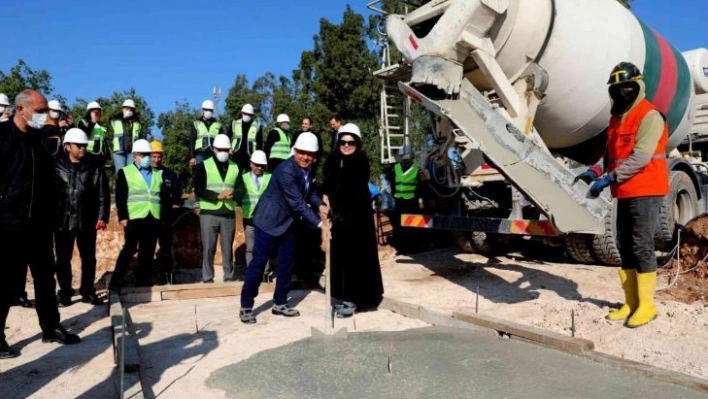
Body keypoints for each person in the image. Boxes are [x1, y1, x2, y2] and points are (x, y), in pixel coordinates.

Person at [576, 62, 669, 328]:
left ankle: (647, 305)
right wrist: (594, 171)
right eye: (617, 88)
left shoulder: (650, 115)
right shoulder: (616, 118)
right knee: (624, 245)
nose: (622, 92)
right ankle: (630, 303)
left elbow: (640, 158)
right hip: (624, 191)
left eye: (628, 86)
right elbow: (610, 154)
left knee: (641, 245)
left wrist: (608, 178)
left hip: (646, 189)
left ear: (638, 86)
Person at [1, 90, 81, 359]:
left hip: (39, 225)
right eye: (40, 110)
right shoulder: (2, 137)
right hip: (9, 225)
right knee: (4, 284)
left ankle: (51, 327)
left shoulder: (40, 141)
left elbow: (49, 181)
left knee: (46, 280)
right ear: (21, 110)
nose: (45, 115)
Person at [239, 132, 328, 324]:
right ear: (294, 151)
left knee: (286, 264)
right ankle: (246, 305)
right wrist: (321, 224)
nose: (305, 157)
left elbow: (309, 192)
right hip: (268, 223)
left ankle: (280, 302)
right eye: (302, 152)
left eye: (310, 154)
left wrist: (320, 204)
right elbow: (297, 202)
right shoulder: (286, 170)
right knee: (258, 264)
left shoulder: (308, 170)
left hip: (288, 225)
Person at [321, 123, 384, 317]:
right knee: (340, 260)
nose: (347, 145)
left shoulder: (360, 162)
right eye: (343, 141)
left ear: (357, 144)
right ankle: (341, 296)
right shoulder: (332, 161)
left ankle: (355, 299)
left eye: (351, 142)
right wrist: (326, 203)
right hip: (338, 219)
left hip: (358, 218)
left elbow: (355, 190)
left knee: (357, 259)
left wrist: (342, 213)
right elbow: (328, 185)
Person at [54, 128, 110, 306]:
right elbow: (49, 194)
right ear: (68, 146)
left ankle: (87, 291)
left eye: (84, 145)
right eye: (79, 145)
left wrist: (102, 216)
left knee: (89, 258)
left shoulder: (94, 168)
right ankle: (64, 293)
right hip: (63, 221)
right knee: (63, 259)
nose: (83, 148)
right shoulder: (56, 166)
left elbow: (103, 194)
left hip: (87, 220)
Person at [110, 139, 164, 290]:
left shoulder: (158, 174)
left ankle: (144, 283)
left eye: (148, 154)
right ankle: (116, 282)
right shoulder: (126, 172)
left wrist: (161, 217)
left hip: (152, 217)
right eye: (143, 155)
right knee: (129, 250)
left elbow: (161, 196)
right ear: (135, 156)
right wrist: (123, 217)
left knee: (147, 253)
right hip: (134, 218)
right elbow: (121, 197)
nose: (146, 157)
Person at [194, 134, 239, 283]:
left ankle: (229, 277)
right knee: (208, 248)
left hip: (228, 213)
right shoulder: (204, 166)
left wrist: (235, 194)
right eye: (220, 149)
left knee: (227, 249)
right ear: (214, 149)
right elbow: (198, 189)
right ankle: (207, 278)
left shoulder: (235, 166)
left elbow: (241, 188)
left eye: (226, 149)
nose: (223, 152)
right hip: (209, 213)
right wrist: (217, 196)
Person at [151, 140, 184, 281]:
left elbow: (177, 194)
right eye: (154, 156)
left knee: (166, 249)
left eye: (159, 156)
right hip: (148, 219)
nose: (156, 159)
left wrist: (175, 202)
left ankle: (166, 277)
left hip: (165, 219)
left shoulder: (169, 174)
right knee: (147, 249)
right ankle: (145, 277)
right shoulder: (143, 174)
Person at [235, 150, 271, 270]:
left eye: (262, 165)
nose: (259, 168)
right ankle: (252, 271)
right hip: (249, 218)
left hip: (265, 219)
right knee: (250, 248)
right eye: (257, 165)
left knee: (264, 246)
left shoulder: (270, 177)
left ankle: (264, 272)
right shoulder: (243, 178)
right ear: (251, 164)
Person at [110, 99, 143, 173]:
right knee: (120, 174)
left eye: (131, 110)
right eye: (126, 109)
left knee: (131, 174)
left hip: (132, 152)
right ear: (122, 109)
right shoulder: (115, 121)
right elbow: (109, 135)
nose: (128, 111)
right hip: (119, 152)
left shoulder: (137, 124)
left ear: (133, 111)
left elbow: (140, 138)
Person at [230, 103, 263, 172]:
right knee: (235, 175)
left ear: (252, 115)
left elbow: (259, 143)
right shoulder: (235, 123)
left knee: (249, 177)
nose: (247, 115)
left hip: (250, 156)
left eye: (249, 114)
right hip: (236, 155)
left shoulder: (257, 126)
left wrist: (257, 156)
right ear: (242, 113)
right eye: (245, 113)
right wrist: (229, 149)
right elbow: (227, 136)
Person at [189, 100, 223, 167]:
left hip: (214, 154)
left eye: (210, 110)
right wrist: (192, 157)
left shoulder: (218, 125)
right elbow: (191, 142)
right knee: (200, 175)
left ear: (212, 111)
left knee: (213, 175)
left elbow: (222, 142)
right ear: (203, 110)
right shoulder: (196, 124)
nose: (208, 111)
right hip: (200, 154)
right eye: (206, 109)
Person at [78, 101, 108, 167]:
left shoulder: (102, 126)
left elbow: (104, 141)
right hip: (89, 154)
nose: (97, 114)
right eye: (95, 112)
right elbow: (85, 134)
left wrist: (107, 155)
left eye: (98, 112)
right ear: (89, 112)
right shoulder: (83, 122)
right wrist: (92, 122)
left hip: (101, 155)